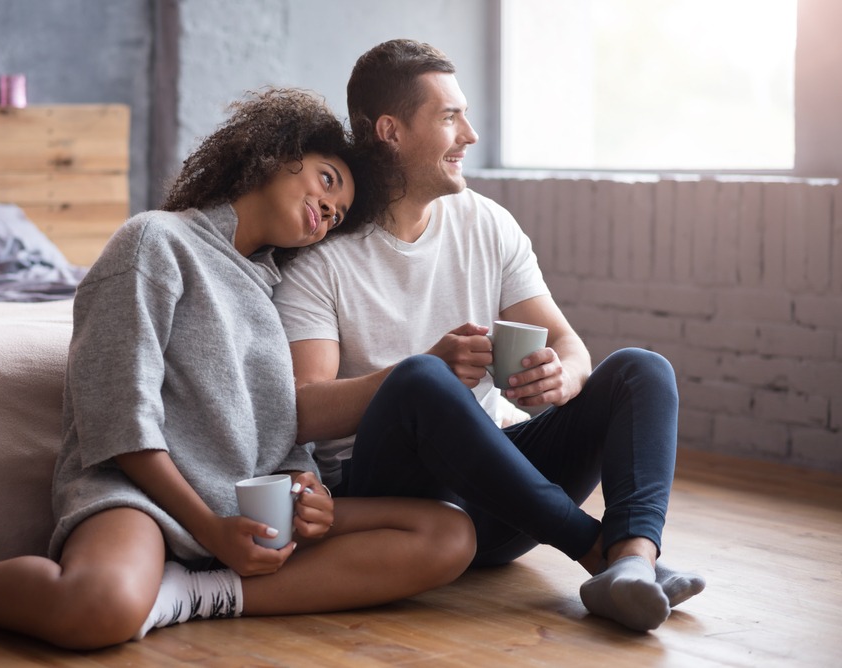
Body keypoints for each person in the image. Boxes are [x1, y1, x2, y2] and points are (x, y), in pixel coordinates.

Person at [0, 88, 476, 650]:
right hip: (142, 494)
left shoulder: (275, 287)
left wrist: (307, 497)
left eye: (337, 216)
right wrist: (210, 527)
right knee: (98, 609)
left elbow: (278, 426)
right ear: (280, 151)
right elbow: (118, 418)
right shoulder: (154, 241)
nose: (327, 213)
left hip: (247, 510)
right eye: (327, 180)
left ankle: (188, 598)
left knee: (449, 535)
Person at [273, 41, 705, 632]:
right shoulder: (322, 258)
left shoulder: (486, 222)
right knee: (421, 378)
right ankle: (596, 548)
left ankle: (630, 563)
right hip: (399, 509)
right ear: (390, 131)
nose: (470, 134)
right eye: (449, 117)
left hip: (503, 503)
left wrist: (564, 374)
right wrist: (420, 368)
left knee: (641, 369)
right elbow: (302, 410)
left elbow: (571, 345)